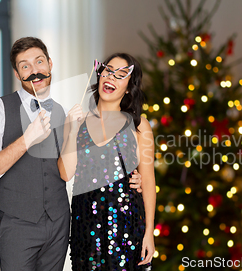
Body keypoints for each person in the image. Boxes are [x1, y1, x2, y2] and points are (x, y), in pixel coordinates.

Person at [0, 38, 143, 271]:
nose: (35, 71)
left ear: (50, 64)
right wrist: (26, 140)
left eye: (39, 62)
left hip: (60, 225)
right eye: (25, 66)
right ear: (17, 73)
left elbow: (79, 167)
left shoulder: (63, 112)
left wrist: (132, 177)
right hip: (19, 227)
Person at [59, 53, 156, 270]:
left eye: (120, 75)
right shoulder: (77, 121)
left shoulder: (140, 126)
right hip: (85, 226)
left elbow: (148, 181)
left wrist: (149, 232)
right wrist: (72, 131)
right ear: (99, 74)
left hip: (127, 226)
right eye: (108, 70)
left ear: (129, 87)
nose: (110, 77)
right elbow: (66, 173)